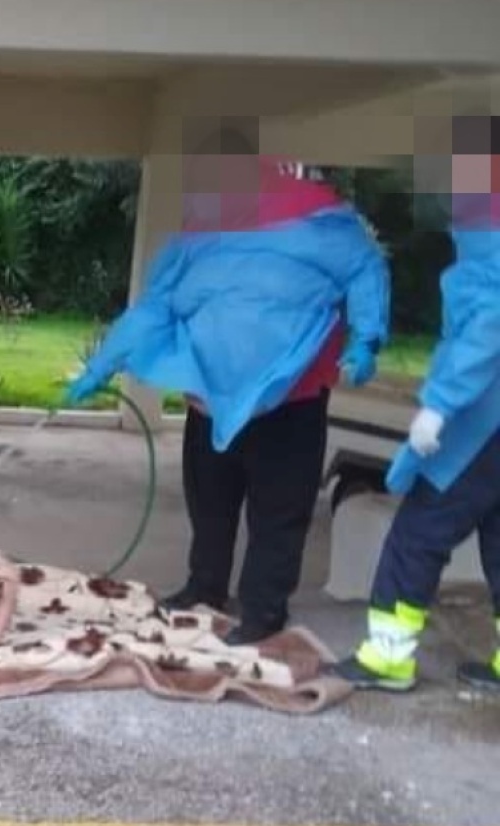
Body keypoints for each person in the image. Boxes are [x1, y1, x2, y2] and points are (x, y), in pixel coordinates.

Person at [65, 122, 390, 646]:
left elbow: (364, 268)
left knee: (278, 514)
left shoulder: (316, 219)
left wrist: (368, 336)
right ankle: (205, 587)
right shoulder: (200, 233)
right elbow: (154, 307)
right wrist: (101, 366)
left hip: (289, 404)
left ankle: (263, 610)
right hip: (209, 402)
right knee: (211, 505)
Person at [333, 114, 500, 693]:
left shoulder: (488, 237)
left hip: (482, 424)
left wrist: (439, 405)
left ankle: (387, 657)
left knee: (419, 532)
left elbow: (487, 329)